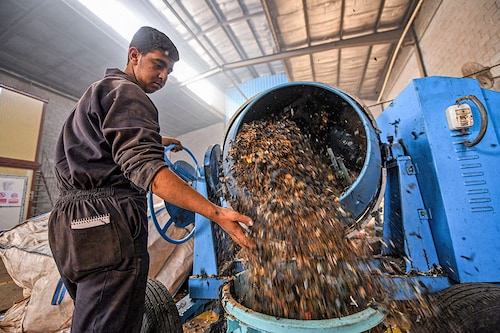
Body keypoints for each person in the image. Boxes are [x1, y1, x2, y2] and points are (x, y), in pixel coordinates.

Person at [48, 26, 254, 333]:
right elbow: (153, 176)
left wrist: (155, 139)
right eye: (158, 64)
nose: (163, 76)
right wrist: (217, 212)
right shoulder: (130, 94)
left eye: (169, 71)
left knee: (94, 319)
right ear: (134, 55)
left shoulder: (100, 91)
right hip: (107, 225)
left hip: (72, 223)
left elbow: (102, 147)